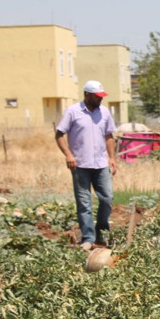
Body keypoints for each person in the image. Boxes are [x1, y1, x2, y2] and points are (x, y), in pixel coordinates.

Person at [55, 80, 117, 251]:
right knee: (84, 203)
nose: (100, 100)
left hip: (101, 164)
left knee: (107, 198)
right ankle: (88, 238)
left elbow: (109, 136)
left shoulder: (104, 112)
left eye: (101, 97)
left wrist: (112, 158)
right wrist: (68, 155)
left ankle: (102, 231)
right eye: (97, 97)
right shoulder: (73, 112)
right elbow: (59, 134)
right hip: (80, 165)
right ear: (87, 95)